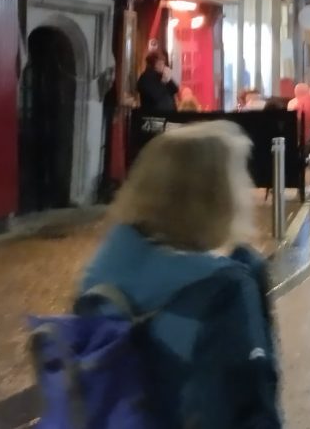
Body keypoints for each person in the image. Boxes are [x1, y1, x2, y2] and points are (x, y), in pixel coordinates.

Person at [81, 122, 281, 427]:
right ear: (215, 196)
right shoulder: (223, 291)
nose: (248, 187)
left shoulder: (103, 270)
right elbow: (249, 411)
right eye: (239, 176)